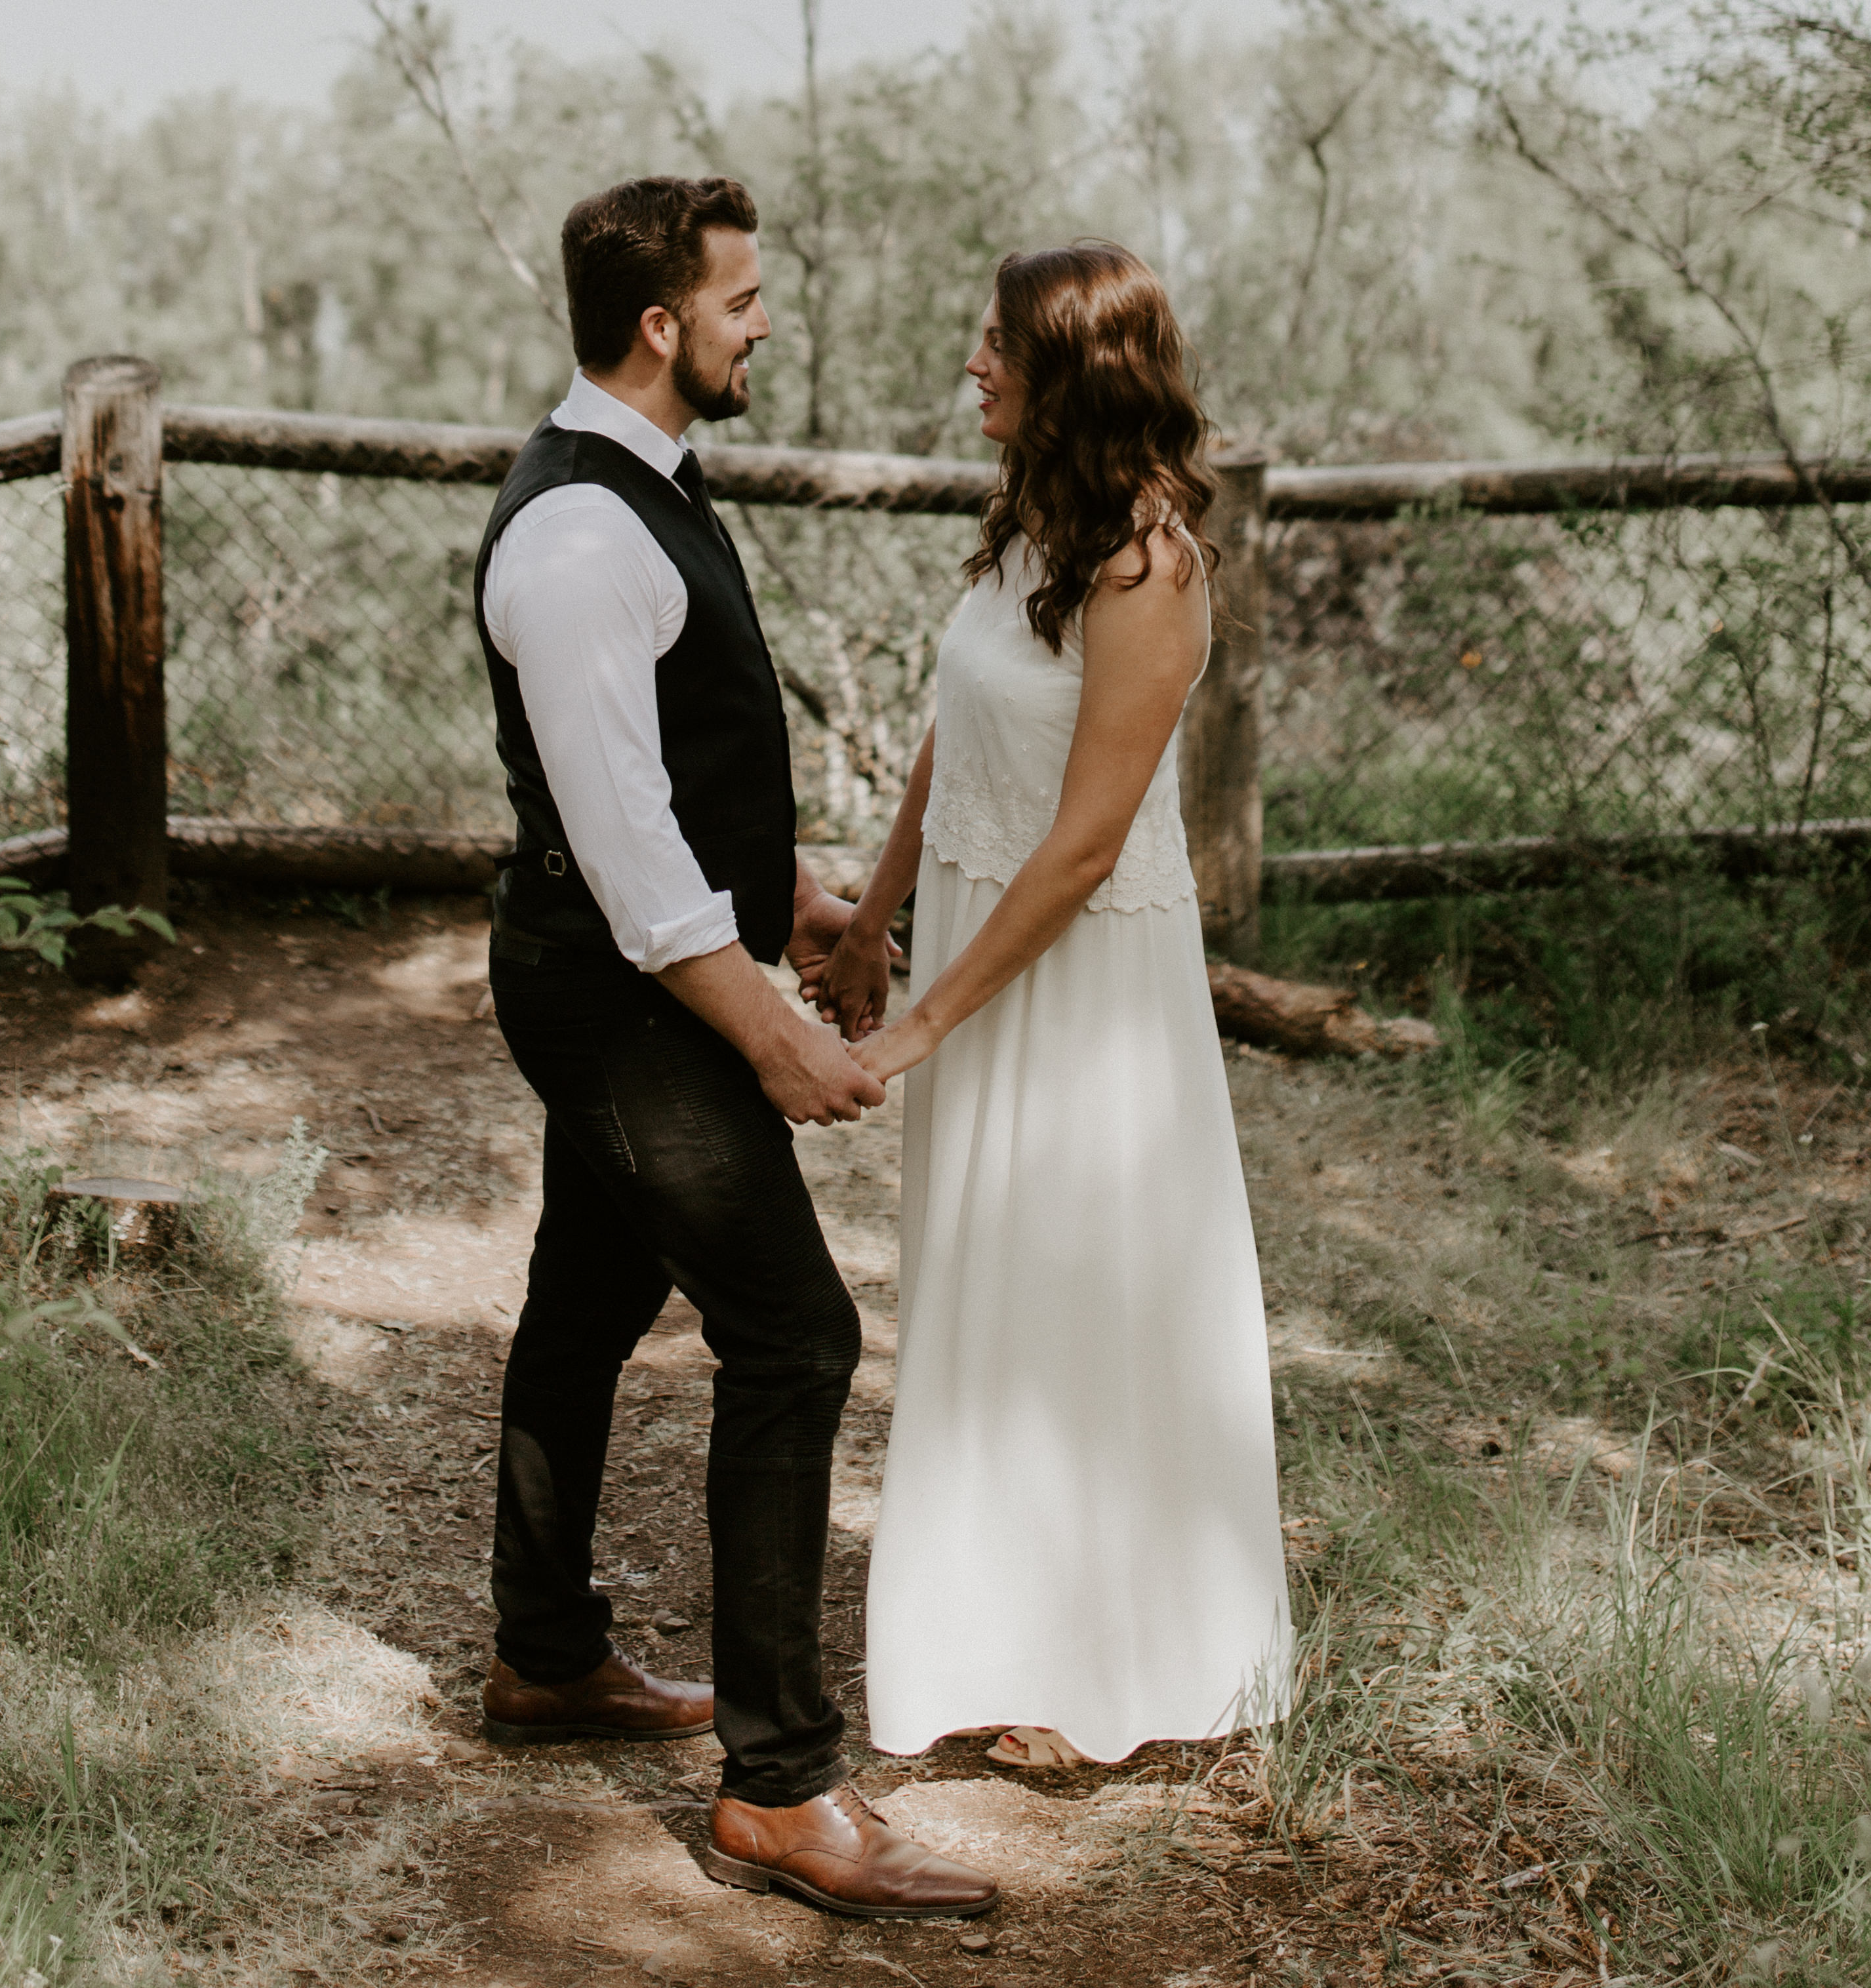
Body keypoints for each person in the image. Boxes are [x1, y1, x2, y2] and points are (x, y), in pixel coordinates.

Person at [474, 172, 997, 1926]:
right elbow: (622, 847)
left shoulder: (645, 495)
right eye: (745, 297)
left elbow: (681, 776)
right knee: (795, 1332)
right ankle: (781, 1787)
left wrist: (810, 906)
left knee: (588, 1301)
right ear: (659, 325)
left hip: (652, 971)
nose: (764, 320)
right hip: (628, 1004)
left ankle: (545, 1660)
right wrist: (771, 1030)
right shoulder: (572, 539)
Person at [815, 240, 1291, 1765]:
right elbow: (958, 746)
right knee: (985, 1291)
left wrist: (922, 1025)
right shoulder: (1028, 526)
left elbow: (1085, 843)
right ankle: (997, 1634)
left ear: (1071, 374)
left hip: (1078, 987)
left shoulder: (1150, 568)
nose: (972, 365)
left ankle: (1106, 1664)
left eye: (996, 347)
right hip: (967, 930)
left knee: (1077, 1295)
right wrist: (874, 923)